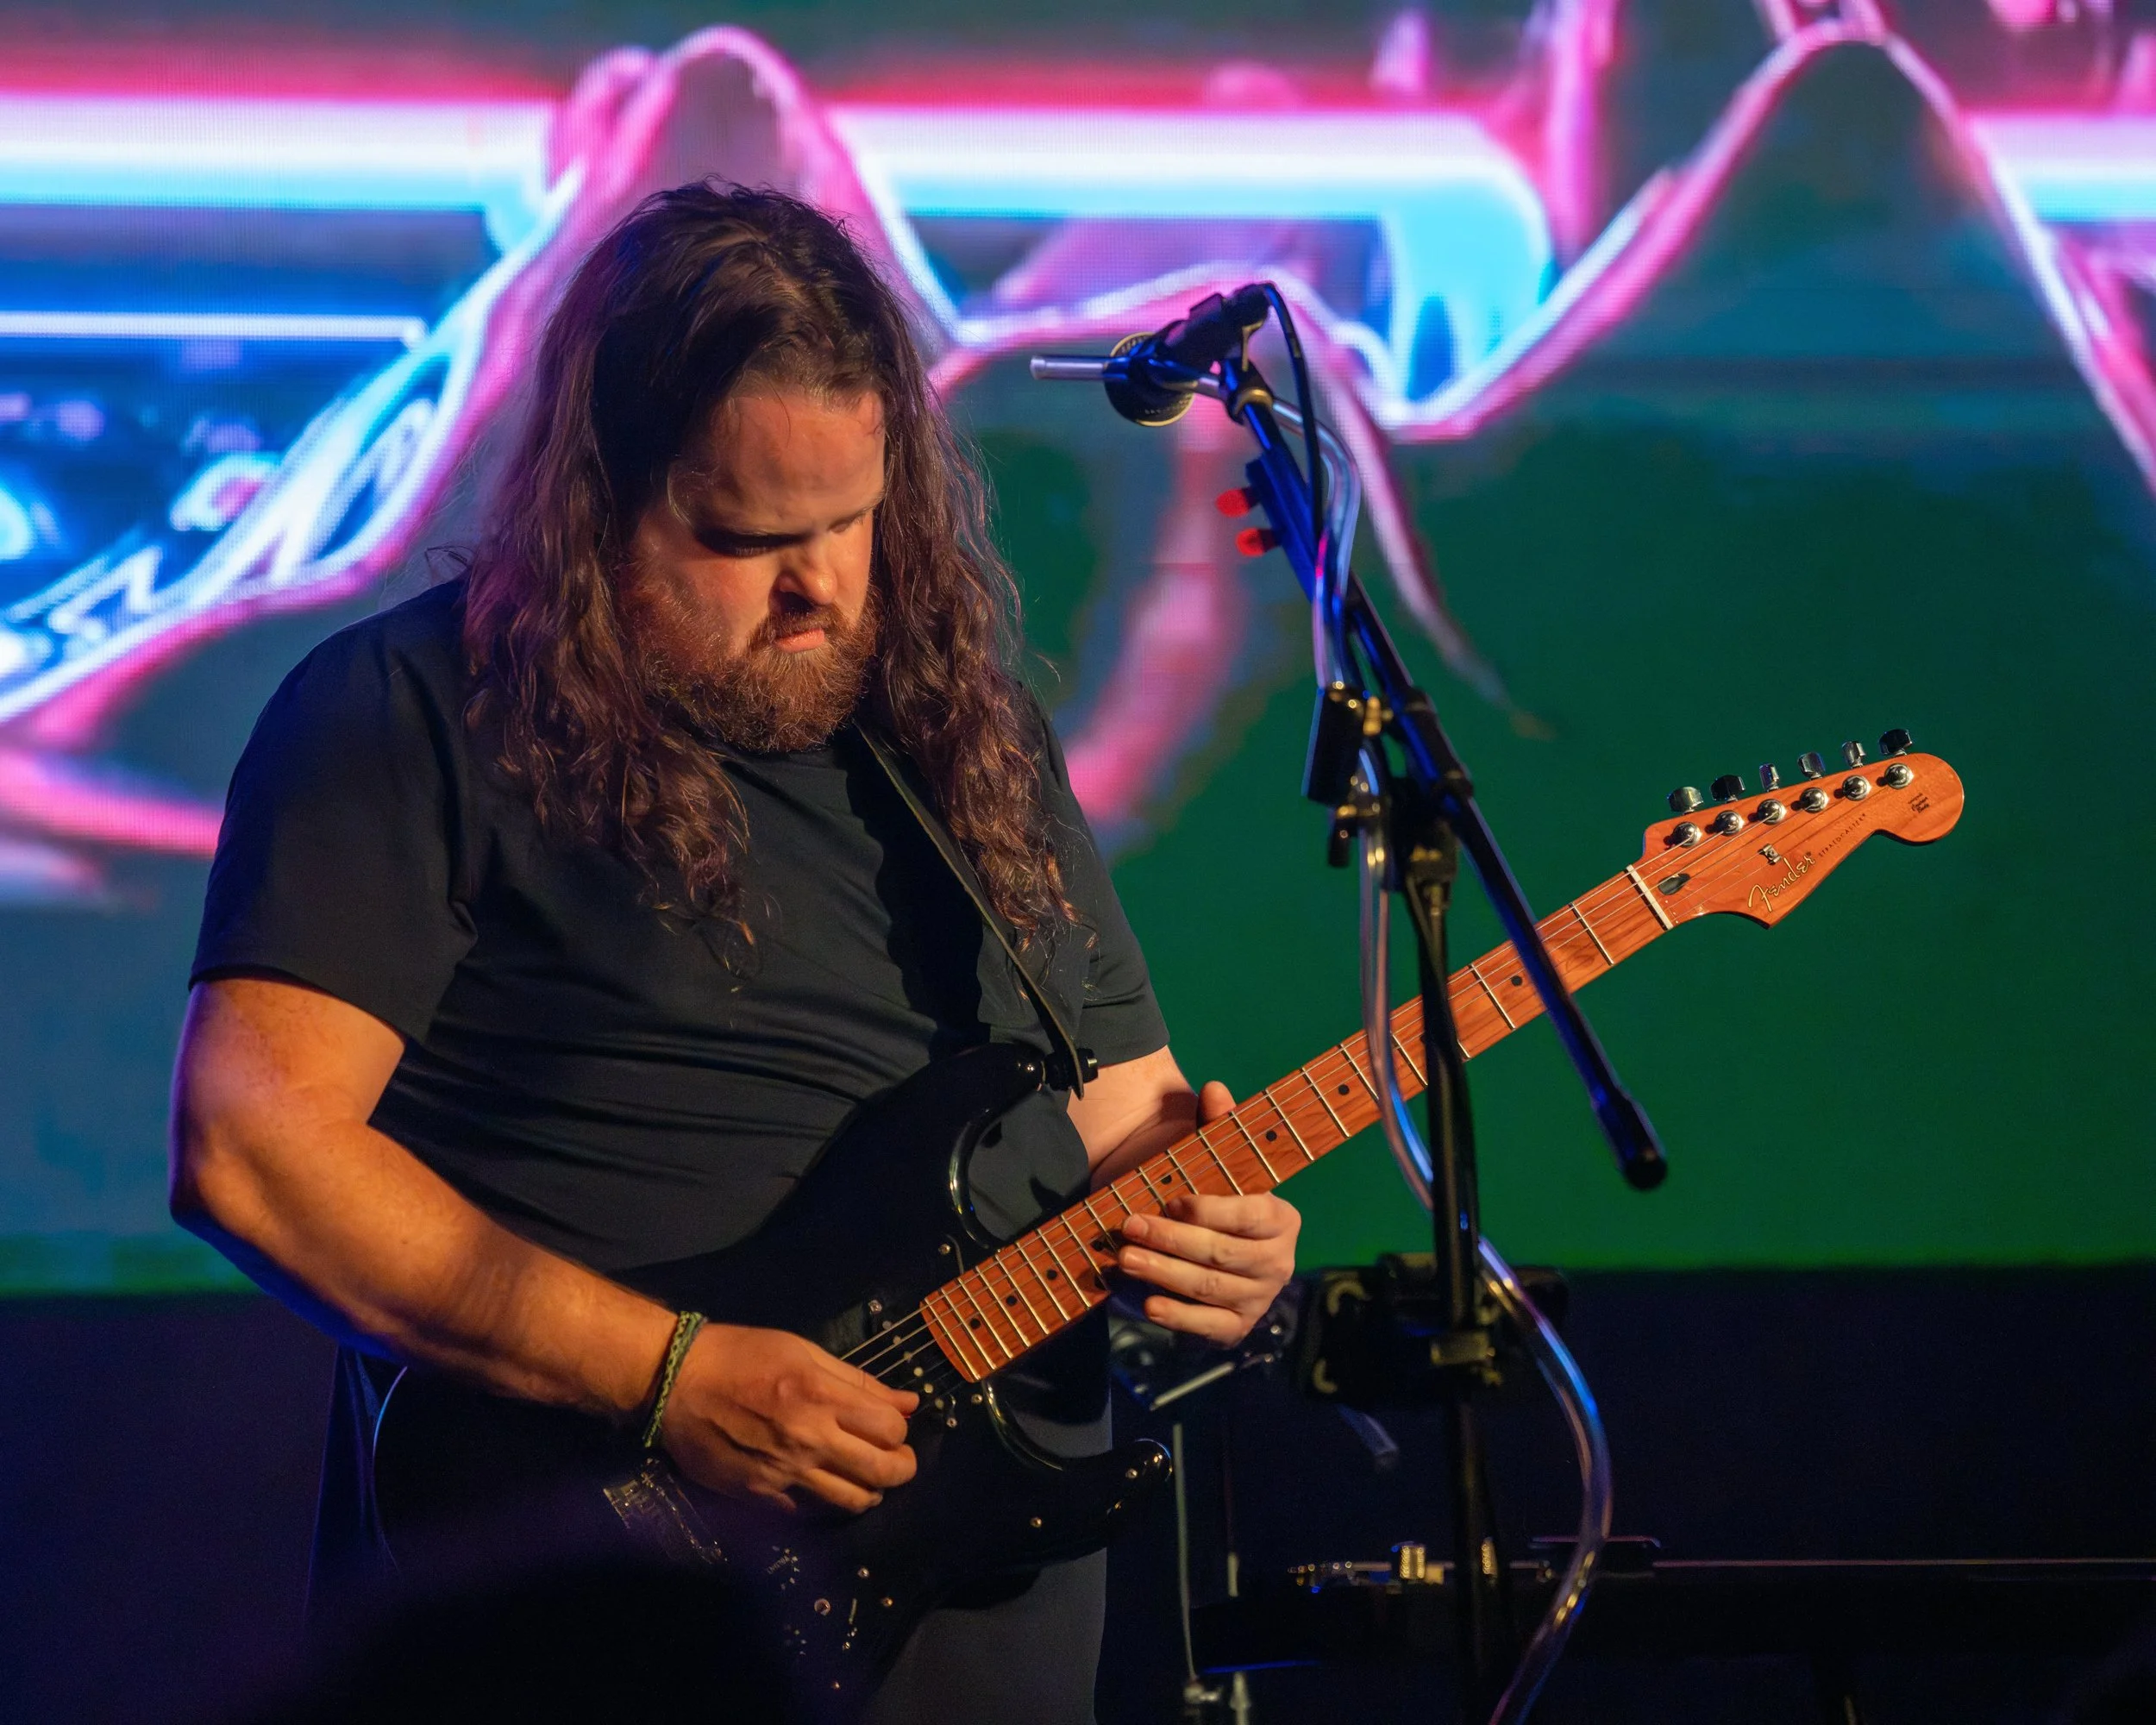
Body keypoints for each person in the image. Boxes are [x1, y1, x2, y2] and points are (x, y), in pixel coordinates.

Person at [167, 181, 1300, 1723]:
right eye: (747, 537)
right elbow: (255, 1150)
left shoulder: (967, 735)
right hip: (603, 1598)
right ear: (597, 505)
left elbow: (1124, 1119)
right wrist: (668, 1375)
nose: (819, 584)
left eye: (851, 521)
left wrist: (1219, 1240)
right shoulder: (409, 713)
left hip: (987, 1603)